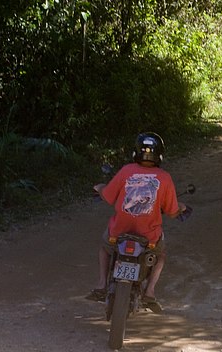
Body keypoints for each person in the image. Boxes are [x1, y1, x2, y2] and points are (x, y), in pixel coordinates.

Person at [86, 132, 186, 313]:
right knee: (160, 255)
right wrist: (181, 207)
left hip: (118, 233)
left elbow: (108, 196)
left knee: (105, 247)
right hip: (148, 238)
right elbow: (172, 211)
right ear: (160, 154)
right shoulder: (164, 178)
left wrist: (100, 187)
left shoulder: (126, 171)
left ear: (136, 152)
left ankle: (101, 284)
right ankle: (150, 291)